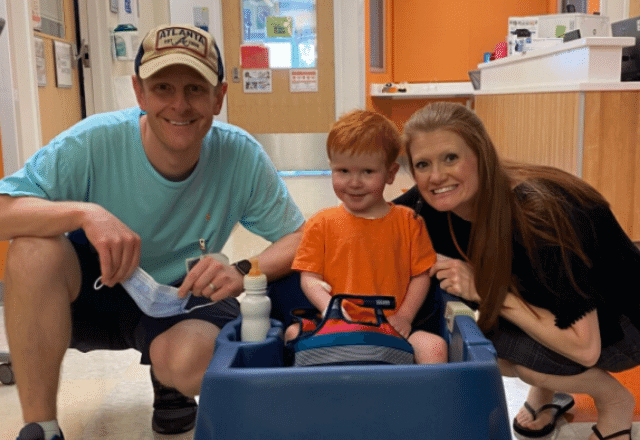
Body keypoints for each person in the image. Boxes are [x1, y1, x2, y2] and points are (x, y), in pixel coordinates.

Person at [0, 24, 305, 440]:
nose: (179, 105)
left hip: (181, 293)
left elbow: (300, 237)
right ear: (140, 93)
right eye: (163, 87)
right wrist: (85, 213)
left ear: (219, 97)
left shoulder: (240, 155)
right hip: (94, 285)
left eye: (196, 89)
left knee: (192, 362)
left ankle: (170, 386)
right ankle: (42, 427)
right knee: (32, 251)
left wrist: (243, 268)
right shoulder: (93, 142)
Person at [394, 101, 640, 440]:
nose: (436, 176)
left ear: (481, 155)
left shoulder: (540, 212)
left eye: (451, 158)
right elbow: (370, 225)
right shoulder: (432, 202)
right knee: (485, 337)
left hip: (623, 324)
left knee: (494, 345)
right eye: (422, 164)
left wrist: (483, 290)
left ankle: (613, 401)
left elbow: (586, 347)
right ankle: (546, 390)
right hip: (561, 308)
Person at [286, 110, 447, 365]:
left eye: (368, 172)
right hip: (335, 324)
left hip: (392, 326)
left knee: (434, 347)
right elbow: (309, 277)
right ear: (331, 169)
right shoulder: (320, 223)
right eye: (343, 171)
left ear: (391, 173)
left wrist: (405, 316)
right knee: (293, 334)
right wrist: (329, 308)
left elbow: (420, 276)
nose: (354, 182)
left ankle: (421, 405)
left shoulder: (409, 222)